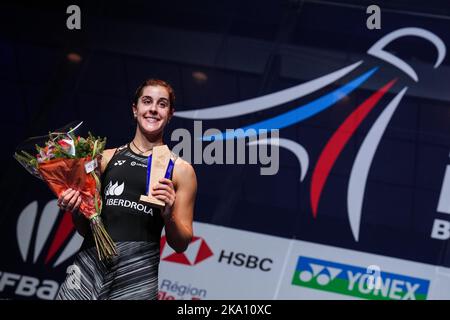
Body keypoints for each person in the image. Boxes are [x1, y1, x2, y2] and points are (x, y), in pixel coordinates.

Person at [55, 79, 197, 300]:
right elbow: (85, 228)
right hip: (89, 267)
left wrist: (169, 216)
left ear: (170, 114)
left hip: (137, 277)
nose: (153, 109)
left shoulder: (181, 170)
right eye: (147, 101)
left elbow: (181, 244)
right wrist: (76, 207)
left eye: (162, 104)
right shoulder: (104, 158)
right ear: (135, 109)